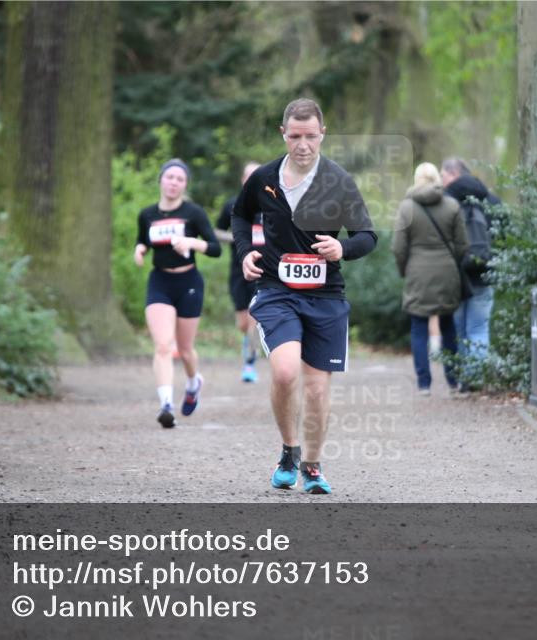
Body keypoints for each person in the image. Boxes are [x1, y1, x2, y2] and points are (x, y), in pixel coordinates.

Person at [231, 98, 377, 494]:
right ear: (284, 134)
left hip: (326, 295)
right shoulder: (263, 178)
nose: (303, 144)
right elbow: (239, 215)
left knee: (316, 386)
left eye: (311, 136)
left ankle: (311, 465)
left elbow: (367, 235)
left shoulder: (338, 181)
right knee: (283, 371)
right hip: (277, 290)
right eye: (295, 136)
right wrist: (245, 253)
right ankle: (288, 451)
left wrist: (342, 249)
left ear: (322, 134)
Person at [134, 158, 221, 428]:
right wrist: (140, 249)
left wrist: (193, 242)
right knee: (162, 345)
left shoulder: (193, 213)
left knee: (185, 350)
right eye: (169, 177)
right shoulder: (147, 214)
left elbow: (216, 248)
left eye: (179, 179)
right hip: (159, 281)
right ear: (161, 180)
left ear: (185, 185)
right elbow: (143, 239)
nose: (173, 182)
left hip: (189, 283)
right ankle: (166, 405)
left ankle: (194, 383)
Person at [392, 162, 468, 396]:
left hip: (417, 272)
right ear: (437, 178)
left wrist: (405, 270)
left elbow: (398, 247)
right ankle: (454, 382)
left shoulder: (406, 208)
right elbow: (462, 245)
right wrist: (450, 263)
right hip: (447, 272)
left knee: (418, 327)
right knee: (448, 327)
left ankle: (424, 384)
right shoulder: (452, 205)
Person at [441, 157, 502, 380]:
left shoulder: (445, 202)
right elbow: (504, 235)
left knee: (460, 330)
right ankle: (475, 378)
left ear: (454, 174)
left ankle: (465, 378)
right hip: (485, 272)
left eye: (443, 176)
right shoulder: (491, 199)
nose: (442, 180)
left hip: (456, 274)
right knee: (479, 328)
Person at [215, 161, 264, 383]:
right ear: (243, 180)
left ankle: (250, 364)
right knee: (243, 323)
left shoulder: (272, 205)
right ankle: (251, 347)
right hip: (238, 270)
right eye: (249, 176)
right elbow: (216, 231)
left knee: (254, 317)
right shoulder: (232, 206)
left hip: (264, 271)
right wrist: (238, 238)